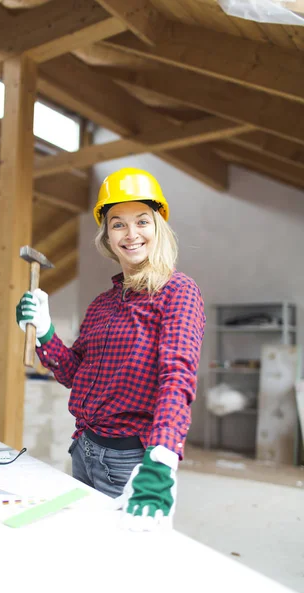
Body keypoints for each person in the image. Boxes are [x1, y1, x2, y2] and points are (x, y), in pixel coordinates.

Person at [16, 167, 205, 531]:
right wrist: (44, 331)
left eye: (141, 221)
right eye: (118, 223)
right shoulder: (103, 304)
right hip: (83, 450)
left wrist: (161, 459)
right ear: (107, 234)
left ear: (158, 227)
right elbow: (76, 374)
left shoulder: (178, 292)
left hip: (129, 460)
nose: (131, 234)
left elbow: (176, 378)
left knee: (129, 567)